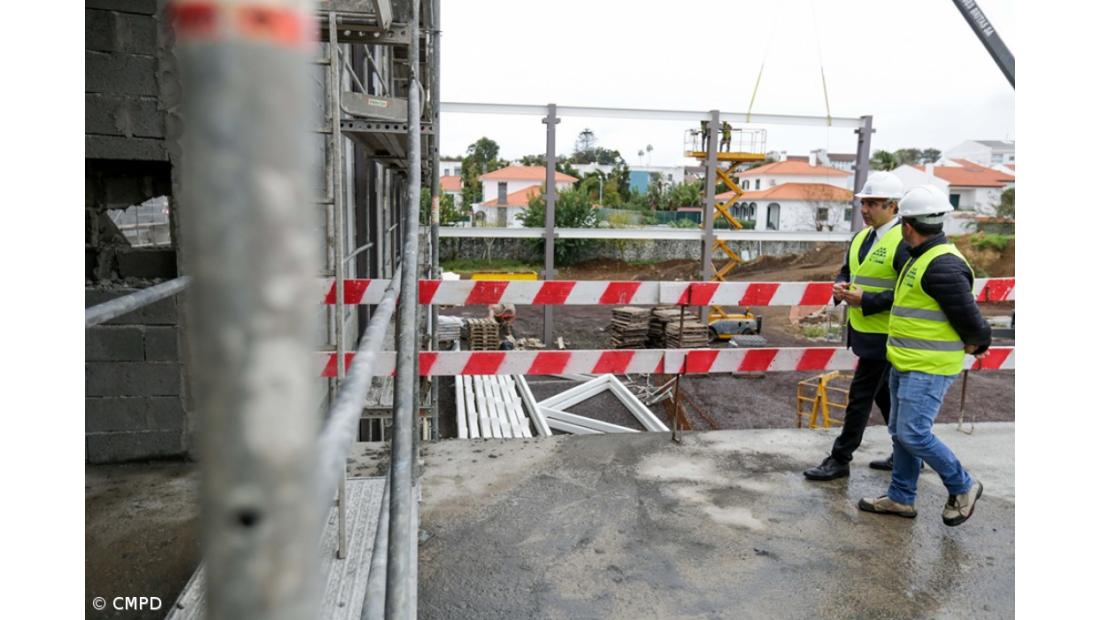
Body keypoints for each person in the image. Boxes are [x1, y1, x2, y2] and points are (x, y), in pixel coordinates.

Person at [857, 185, 991, 526]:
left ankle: (963, 485)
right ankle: (901, 498)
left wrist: (977, 343)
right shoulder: (922, 257)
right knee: (900, 433)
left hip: (928, 367)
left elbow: (973, 323)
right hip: (906, 362)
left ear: (907, 226)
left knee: (914, 433)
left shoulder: (942, 265)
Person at [804, 171, 909, 481]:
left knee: (860, 396)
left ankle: (840, 458)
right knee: (884, 397)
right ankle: (908, 454)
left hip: (888, 334)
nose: (864, 209)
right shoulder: (862, 236)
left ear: (892, 206)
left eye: (872, 203)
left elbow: (908, 293)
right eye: (864, 202)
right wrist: (840, 288)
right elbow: (847, 270)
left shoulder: (903, 242)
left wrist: (868, 300)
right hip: (864, 332)